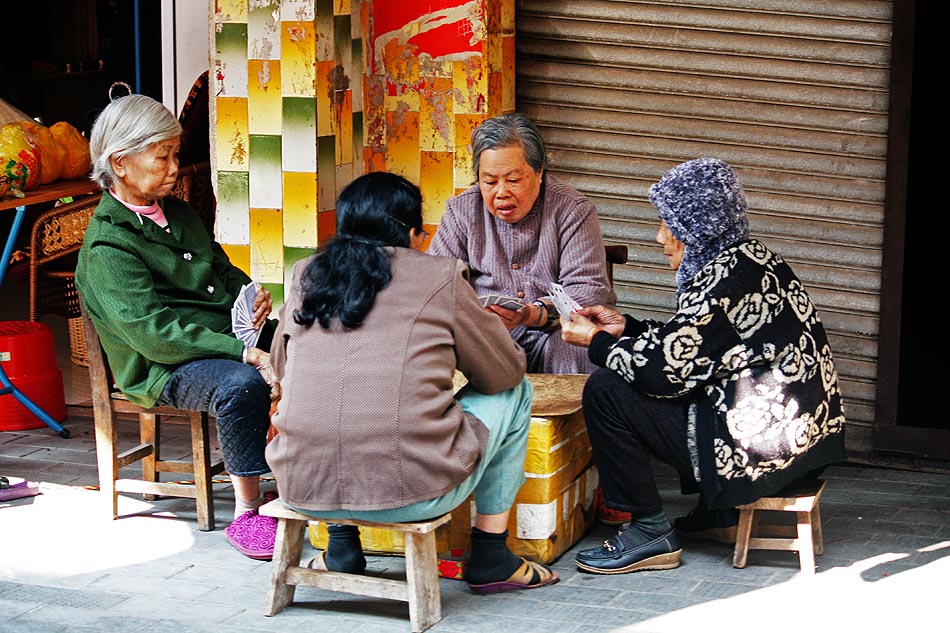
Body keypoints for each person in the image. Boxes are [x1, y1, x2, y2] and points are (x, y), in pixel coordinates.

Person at [266, 171, 559, 594]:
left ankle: (341, 546)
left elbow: (281, 366)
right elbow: (503, 374)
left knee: (329, 399)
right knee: (519, 391)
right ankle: (492, 554)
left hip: (301, 485)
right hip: (412, 494)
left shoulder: (307, 273)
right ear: (412, 233)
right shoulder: (439, 275)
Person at [559, 157, 847, 574]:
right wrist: (627, 328)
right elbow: (699, 345)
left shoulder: (722, 279)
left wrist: (598, 342)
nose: (660, 238)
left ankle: (649, 531)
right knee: (681, 385)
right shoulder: (751, 258)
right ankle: (723, 515)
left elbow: (665, 374)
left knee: (607, 389)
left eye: (668, 224)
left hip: (764, 449)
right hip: (799, 441)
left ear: (698, 227)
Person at [74, 94, 281, 560]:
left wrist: (252, 295)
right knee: (241, 385)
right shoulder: (109, 246)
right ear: (121, 163)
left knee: (310, 344)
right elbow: (154, 334)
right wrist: (242, 351)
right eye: (162, 156)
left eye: (174, 154)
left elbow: (222, 272)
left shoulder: (179, 212)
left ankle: (302, 479)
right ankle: (248, 512)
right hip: (163, 366)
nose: (174, 167)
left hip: (216, 337)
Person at [428, 113, 616, 374]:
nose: (501, 192)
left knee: (578, 350)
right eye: (490, 181)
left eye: (513, 180)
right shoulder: (461, 211)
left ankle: (565, 417)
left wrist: (532, 314)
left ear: (539, 173)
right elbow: (436, 285)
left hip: (555, 332)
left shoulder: (572, 209)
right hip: (487, 335)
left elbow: (587, 290)